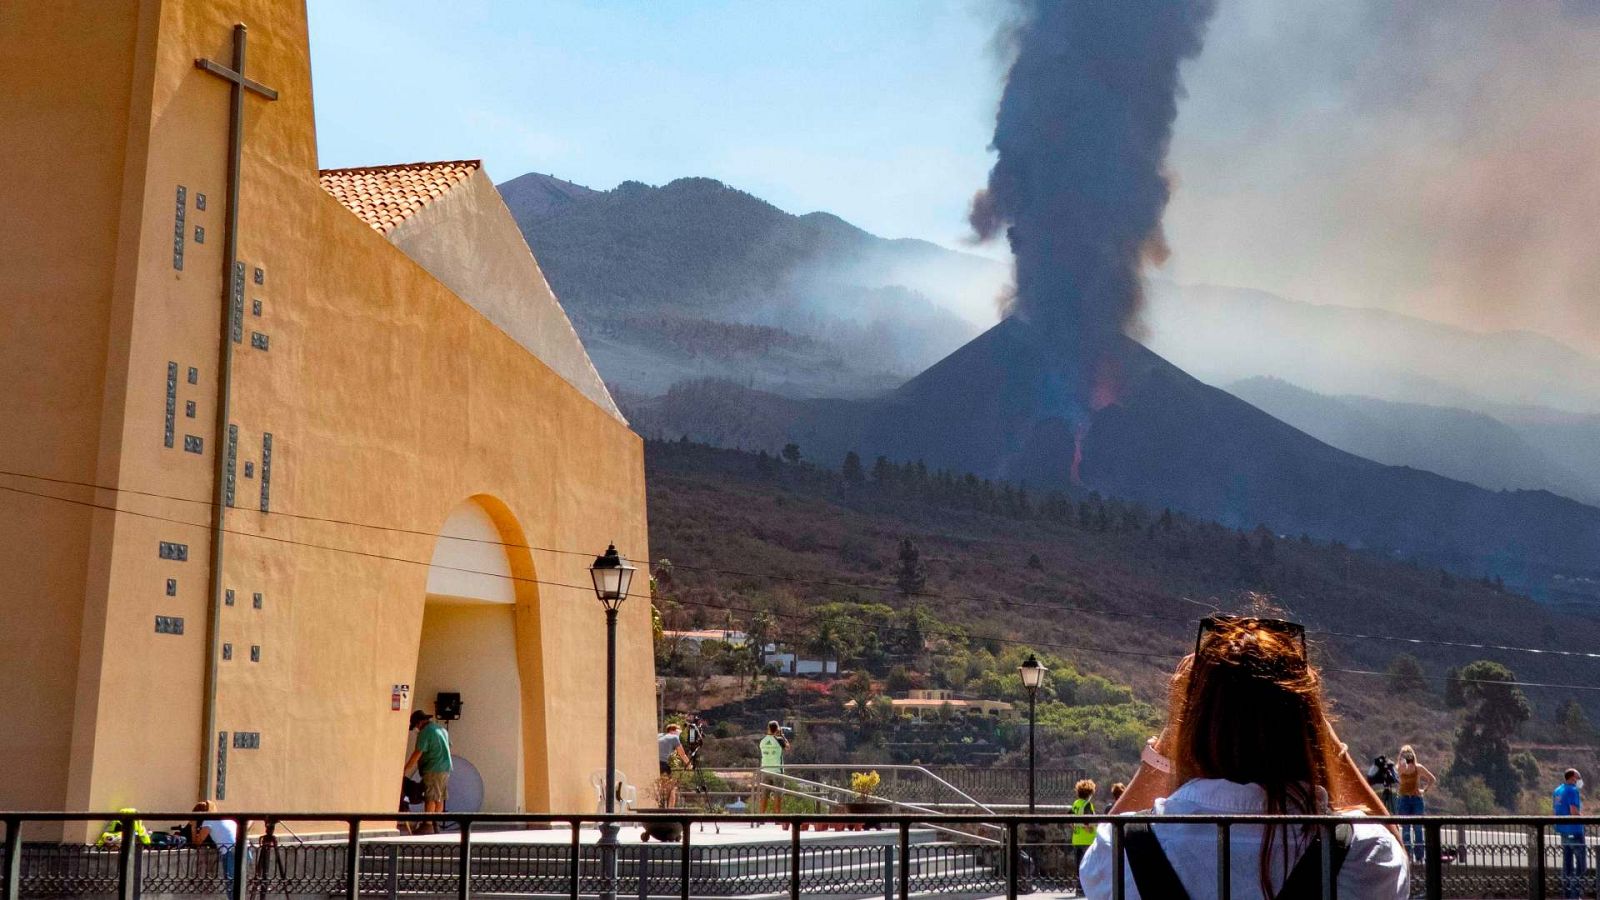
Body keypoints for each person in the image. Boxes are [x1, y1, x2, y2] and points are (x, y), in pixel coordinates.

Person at [1079, 615, 1408, 899]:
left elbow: (1096, 858)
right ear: (1303, 730)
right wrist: (1322, 732)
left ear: (1194, 725)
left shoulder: (1122, 850)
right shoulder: (1361, 852)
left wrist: (1173, 729)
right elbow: (1398, 862)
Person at [405, 709, 453, 832]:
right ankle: (435, 824)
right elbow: (449, 745)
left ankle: (427, 825)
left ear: (420, 722)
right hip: (445, 768)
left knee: (430, 797)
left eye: (416, 725)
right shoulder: (441, 729)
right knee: (440, 796)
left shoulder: (425, 732)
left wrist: (405, 769)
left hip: (433, 769)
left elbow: (417, 753)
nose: (416, 729)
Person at [1395, 745, 1437, 862]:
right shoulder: (1399, 768)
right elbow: (1393, 777)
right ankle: (1407, 855)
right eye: (1404, 755)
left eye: (1409, 755)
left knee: (1418, 828)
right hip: (1404, 799)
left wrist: (1424, 790)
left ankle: (1419, 856)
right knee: (1406, 828)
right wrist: (1401, 768)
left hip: (1416, 799)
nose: (1407, 758)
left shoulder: (1418, 768)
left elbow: (1431, 778)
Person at [191, 800, 239, 889]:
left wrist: (193, 826)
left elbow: (197, 842)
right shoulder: (225, 818)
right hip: (245, 849)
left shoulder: (208, 820)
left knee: (231, 887)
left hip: (230, 852)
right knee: (240, 884)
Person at [1555, 768, 1587, 899]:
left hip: (1563, 830)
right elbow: (1573, 811)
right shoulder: (1572, 790)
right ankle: (1575, 895)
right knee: (1581, 865)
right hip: (1575, 830)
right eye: (1578, 777)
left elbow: (1556, 810)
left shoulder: (1557, 791)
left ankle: (1567, 895)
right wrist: (1583, 818)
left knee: (1567, 866)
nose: (1579, 781)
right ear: (1573, 777)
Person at [756, 720, 790, 817]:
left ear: (768, 728)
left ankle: (761, 818)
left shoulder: (762, 741)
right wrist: (782, 736)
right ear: (777, 729)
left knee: (764, 796)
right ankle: (778, 819)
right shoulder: (779, 740)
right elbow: (787, 747)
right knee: (778, 796)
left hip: (765, 771)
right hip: (777, 771)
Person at [657, 723, 691, 807]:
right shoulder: (674, 737)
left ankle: (661, 808)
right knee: (672, 789)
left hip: (653, 763)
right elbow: (682, 754)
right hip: (662, 764)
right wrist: (689, 765)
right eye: (678, 731)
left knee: (658, 789)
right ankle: (670, 811)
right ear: (673, 731)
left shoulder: (659, 735)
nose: (679, 734)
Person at [1071, 779, 1099, 872]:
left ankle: (1079, 885)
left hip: (1076, 839)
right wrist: (1090, 830)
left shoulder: (1075, 804)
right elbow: (1087, 822)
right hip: (1087, 840)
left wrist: (1075, 827)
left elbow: (1070, 820)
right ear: (1089, 793)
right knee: (1088, 867)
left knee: (1079, 866)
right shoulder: (1087, 805)